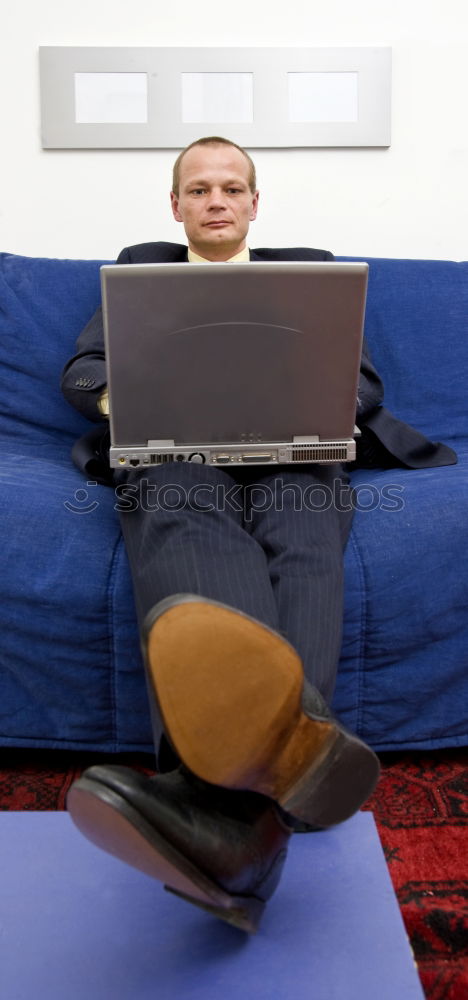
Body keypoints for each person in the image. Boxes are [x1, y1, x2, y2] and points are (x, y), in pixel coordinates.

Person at [61, 137, 456, 933]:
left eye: (231, 188)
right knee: (176, 505)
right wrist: (127, 407)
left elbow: (364, 379)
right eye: (198, 189)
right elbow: (83, 371)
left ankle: (219, 809)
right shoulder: (140, 267)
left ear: (253, 204)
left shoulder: (308, 267)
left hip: (290, 446)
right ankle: (288, 772)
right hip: (178, 446)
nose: (216, 200)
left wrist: (319, 405)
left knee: (305, 528)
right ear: (176, 207)